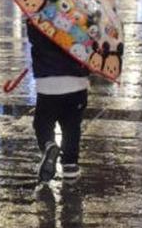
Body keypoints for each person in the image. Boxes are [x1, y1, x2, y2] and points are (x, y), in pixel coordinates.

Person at [28, 23, 89, 182]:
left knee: (43, 122)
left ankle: (49, 144)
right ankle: (70, 166)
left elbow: (34, 39)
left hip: (48, 83)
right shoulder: (84, 16)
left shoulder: (38, 17)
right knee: (71, 126)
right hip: (78, 82)